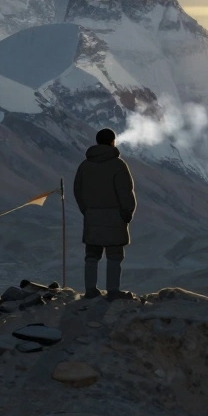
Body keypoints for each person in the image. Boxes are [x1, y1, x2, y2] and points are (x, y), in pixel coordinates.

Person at [73, 127, 137, 300]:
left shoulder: (85, 166)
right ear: (112, 142)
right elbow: (125, 192)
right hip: (115, 218)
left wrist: (87, 211)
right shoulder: (118, 165)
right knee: (114, 256)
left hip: (92, 217)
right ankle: (113, 291)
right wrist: (127, 212)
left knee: (91, 256)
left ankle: (90, 290)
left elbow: (78, 191)